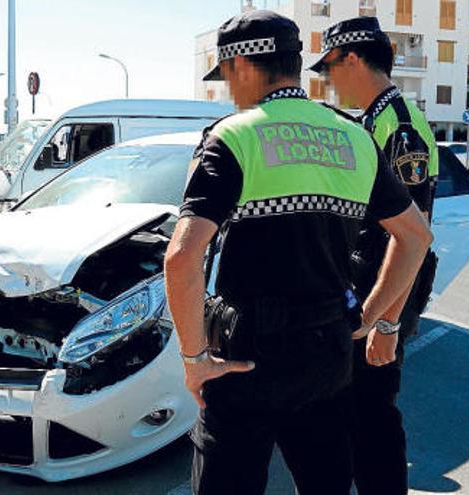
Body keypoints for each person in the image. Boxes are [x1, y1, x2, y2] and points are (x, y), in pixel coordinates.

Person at [163, 10, 433, 495]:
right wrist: (372, 318)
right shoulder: (355, 137)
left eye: (226, 76)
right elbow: (415, 236)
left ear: (242, 66)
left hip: (248, 355)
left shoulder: (232, 137)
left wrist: (194, 359)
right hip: (329, 351)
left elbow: (182, 258)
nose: (229, 89)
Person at [310, 16, 440, 495]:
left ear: (353, 60)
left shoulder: (399, 125)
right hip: (366, 283)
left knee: (373, 418)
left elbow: (412, 238)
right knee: (352, 413)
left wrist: (385, 323)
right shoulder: (370, 120)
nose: (327, 80)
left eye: (330, 68)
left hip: (382, 290)